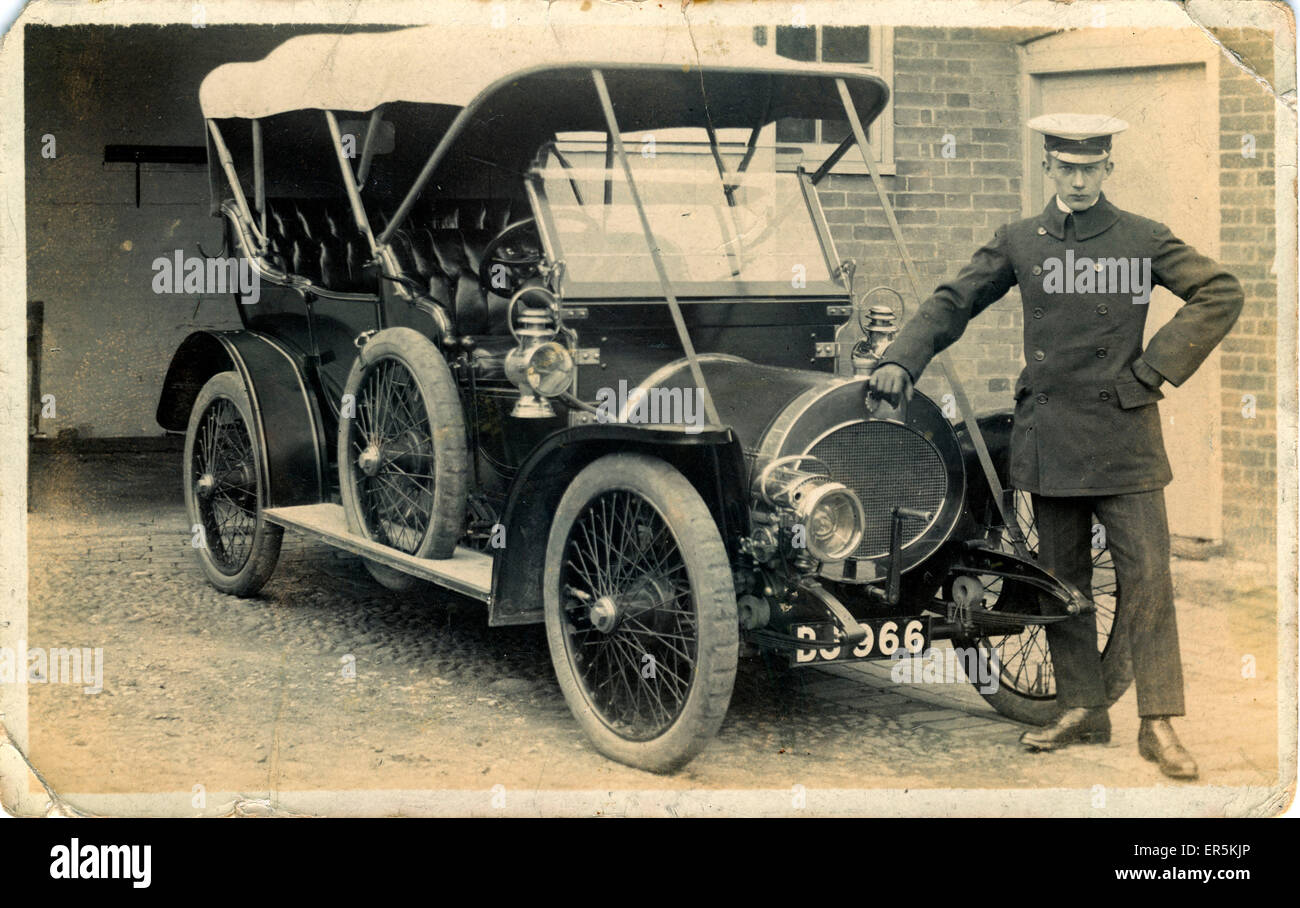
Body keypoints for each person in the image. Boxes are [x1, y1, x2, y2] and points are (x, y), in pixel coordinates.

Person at [868, 113, 1243, 780]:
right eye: (1065, 167)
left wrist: (1153, 371)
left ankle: (1158, 725)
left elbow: (1219, 290)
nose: (1076, 178)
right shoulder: (1021, 239)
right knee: (1060, 579)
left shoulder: (1141, 238)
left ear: (1108, 168)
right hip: (1049, 435)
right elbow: (955, 299)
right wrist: (903, 357)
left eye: (1089, 166)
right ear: (1049, 167)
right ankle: (1080, 709)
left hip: (1124, 438)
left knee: (1148, 579)